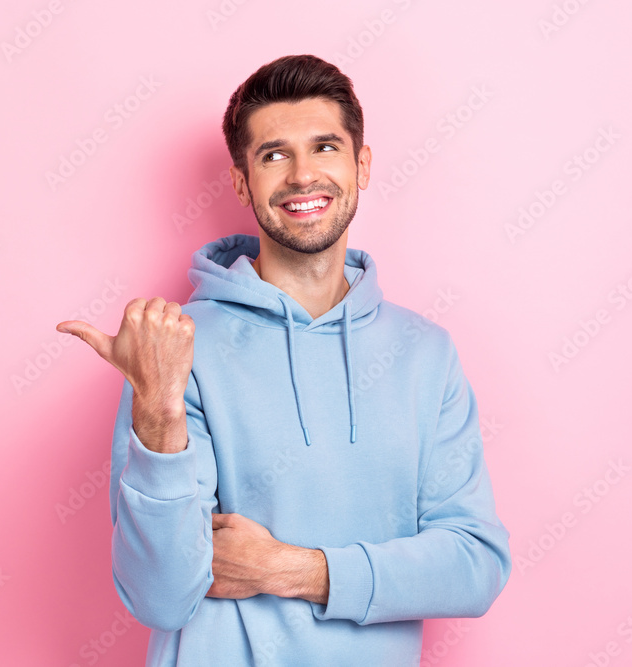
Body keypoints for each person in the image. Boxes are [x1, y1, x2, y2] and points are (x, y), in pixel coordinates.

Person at [56, 54, 511, 666]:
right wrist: (158, 411)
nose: (302, 175)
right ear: (243, 182)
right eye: (274, 155)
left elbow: (474, 565)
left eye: (325, 147)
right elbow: (160, 597)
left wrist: (295, 570)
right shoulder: (178, 349)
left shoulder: (425, 354)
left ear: (361, 165)